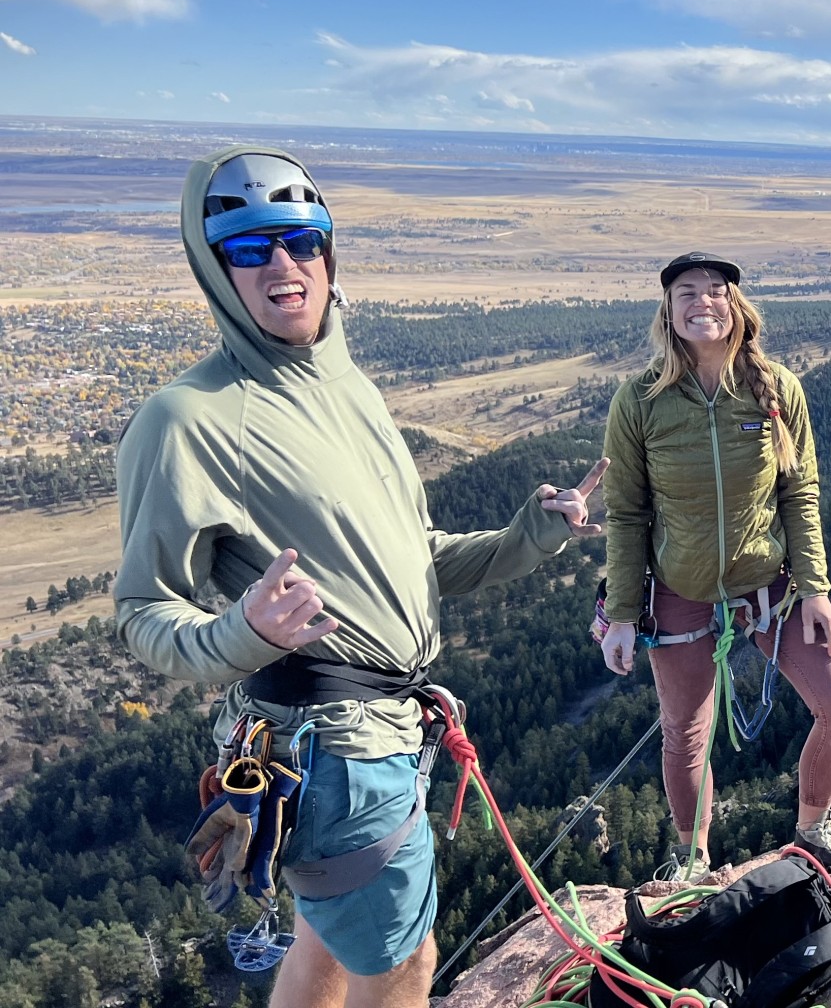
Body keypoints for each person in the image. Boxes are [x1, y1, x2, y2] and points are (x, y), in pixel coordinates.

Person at [116, 146, 606, 1008]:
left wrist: (530, 537)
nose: (283, 265)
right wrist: (242, 635)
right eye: (250, 248)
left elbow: (413, 557)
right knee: (403, 963)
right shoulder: (187, 419)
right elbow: (141, 612)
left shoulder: (348, 387)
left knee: (327, 942)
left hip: (374, 738)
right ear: (214, 270)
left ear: (330, 254)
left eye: (303, 241)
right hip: (332, 749)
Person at [599, 251, 831, 877]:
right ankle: (692, 858)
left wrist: (816, 590)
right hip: (679, 586)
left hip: (768, 582)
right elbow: (627, 514)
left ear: (735, 305)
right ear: (668, 311)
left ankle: (813, 830)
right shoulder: (639, 401)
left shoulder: (777, 389)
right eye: (686, 292)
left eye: (716, 290)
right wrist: (622, 615)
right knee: (685, 733)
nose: (703, 302)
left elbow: (799, 494)